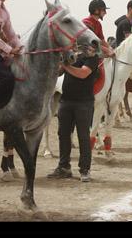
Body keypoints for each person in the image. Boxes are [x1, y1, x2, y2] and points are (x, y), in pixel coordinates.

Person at [47, 48, 99, 182]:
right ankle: (64, 167)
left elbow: (83, 73)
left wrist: (65, 65)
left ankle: (85, 170)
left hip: (84, 103)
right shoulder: (72, 56)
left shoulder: (92, 58)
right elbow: (58, 73)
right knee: (63, 135)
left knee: (83, 137)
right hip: (66, 100)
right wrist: (59, 61)